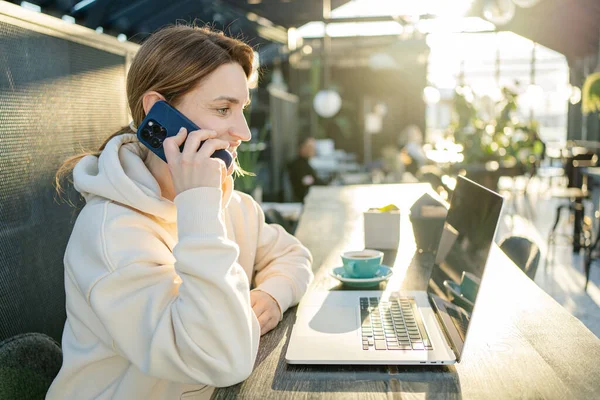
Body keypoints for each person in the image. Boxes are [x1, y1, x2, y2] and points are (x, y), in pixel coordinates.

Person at [47, 25, 313, 400]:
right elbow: (222, 359)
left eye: (242, 109)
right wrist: (199, 209)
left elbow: (293, 255)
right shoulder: (110, 236)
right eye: (223, 109)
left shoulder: (227, 202)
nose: (244, 132)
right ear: (160, 112)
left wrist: (272, 294)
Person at [287, 136, 326, 202]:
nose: (312, 150)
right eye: (309, 147)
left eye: (313, 147)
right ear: (302, 147)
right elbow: (308, 183)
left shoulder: (305, 163)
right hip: (305, 201)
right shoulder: (298, 165)